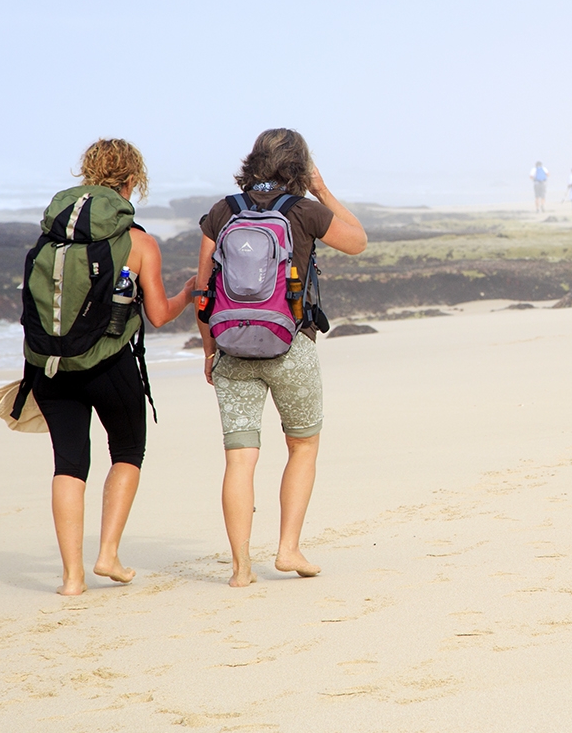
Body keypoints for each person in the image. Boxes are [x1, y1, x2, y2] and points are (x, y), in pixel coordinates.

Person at [197, 129, 368, 587]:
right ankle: (288, 549)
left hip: (231, 345)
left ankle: (239, 569)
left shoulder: (224, 211)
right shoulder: (305, 212)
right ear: (299, 167)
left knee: (240, 457)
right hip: (291, 345)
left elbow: (202, 291)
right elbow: (358, 241)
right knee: (303, 445)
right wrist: (323, 189)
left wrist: (210, 350)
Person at [32, 139, 196, 596]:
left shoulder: (51, 237)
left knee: (68, 464)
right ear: (131, 181)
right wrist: (188, 292)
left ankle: (71, 579)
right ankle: (107, 555)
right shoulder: (138, 242)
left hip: (50, 367)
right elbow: (160, 315)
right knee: (126, 452)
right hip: (109, 366)